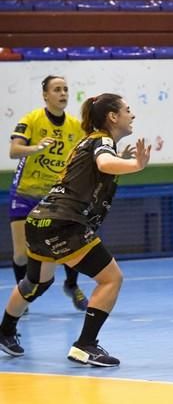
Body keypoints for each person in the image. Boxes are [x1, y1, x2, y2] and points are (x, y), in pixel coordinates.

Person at [0, 93, 151, 366]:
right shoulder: (102, 140)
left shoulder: (88, 142)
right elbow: (104, 163)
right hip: (63, 223)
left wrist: (121, 160)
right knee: (111, 279)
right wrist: (135, 165)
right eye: (128, 110)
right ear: (112, 117)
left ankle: (5, 331)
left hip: (39, 220)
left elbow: (101, 165)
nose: (133, 115)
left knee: (37, 282)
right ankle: (85, 345)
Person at [8, 75, 89, 311]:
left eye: (65, 89)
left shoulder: (75, 126)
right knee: (22, 255)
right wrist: (36, 148)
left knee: (69, 244)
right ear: (45, 95)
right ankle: (22, 297)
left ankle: (72, 286)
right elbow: (14, 151)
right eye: (57, 89)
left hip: (55, 196)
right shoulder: (32, 120)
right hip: (25, 193)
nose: (62, 93)